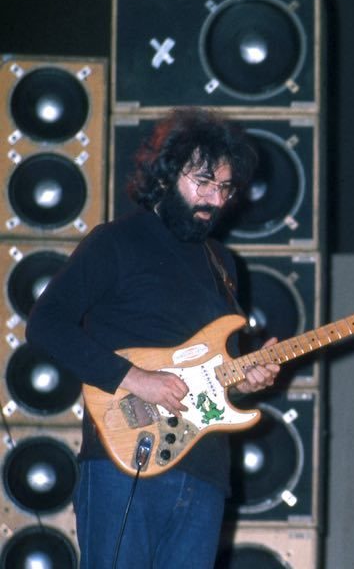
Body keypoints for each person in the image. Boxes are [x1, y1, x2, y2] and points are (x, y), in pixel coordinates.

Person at [26, 108, 281, 569]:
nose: (213, 199)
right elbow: (46, 323)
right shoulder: (116, 242)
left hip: (203, 470)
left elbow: (220, 373)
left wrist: (249, 377)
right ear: (166, 174)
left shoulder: (222, 263)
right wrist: (136, 379)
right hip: (125, 461)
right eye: (202, 182)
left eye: (224, 188)